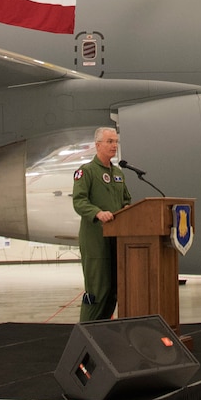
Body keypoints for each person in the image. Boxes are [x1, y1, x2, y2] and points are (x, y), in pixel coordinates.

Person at [70, 126, 131, 321]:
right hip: (96, 240)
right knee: (98, 290)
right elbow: (79, 201)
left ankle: (104, 331)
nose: (114, 145)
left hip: (116, 240)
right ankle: (86, 334)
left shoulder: (119, 173)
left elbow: (126, 201)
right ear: (97, 145)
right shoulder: (86, 172)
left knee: (114, 288)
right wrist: (97, 213)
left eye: (115, 142)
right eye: (110, 142)